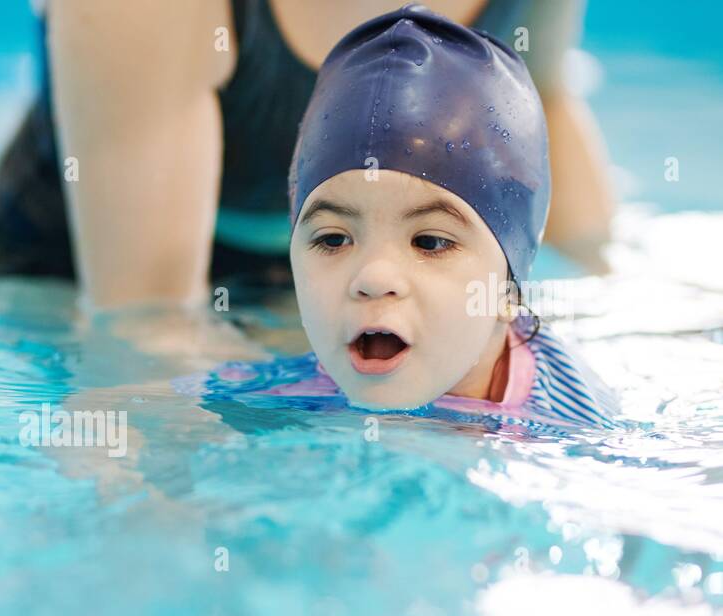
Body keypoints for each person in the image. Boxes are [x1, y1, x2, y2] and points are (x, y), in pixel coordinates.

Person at [0, 0, 615, 309]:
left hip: (334, 288)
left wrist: (616, 285)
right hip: (54, 289)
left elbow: (542, 102)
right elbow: (143, 333)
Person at [173, 5, 619, 429]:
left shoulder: (573, 421)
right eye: (333, 239)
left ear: (508, 291)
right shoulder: (263, 394)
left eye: (429, 242)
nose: (373, 276)